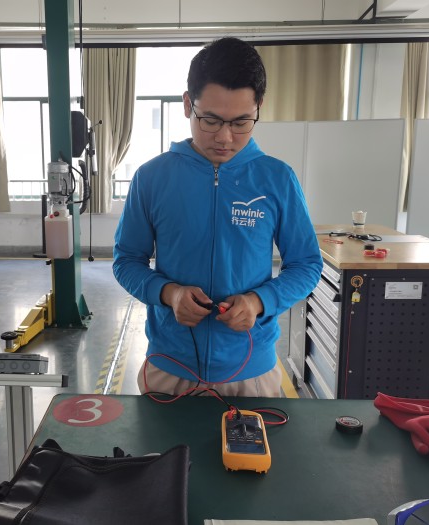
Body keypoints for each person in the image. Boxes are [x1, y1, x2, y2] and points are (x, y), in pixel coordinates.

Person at [113, 37, 323, 398]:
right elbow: (126, 261)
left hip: (252, 371)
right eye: (210, 120)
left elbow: (306, 264)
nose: (225, 137)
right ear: (187, 105)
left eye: (241, 122)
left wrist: (259, 302)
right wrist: (169, 294)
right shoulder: (152, 178)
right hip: (169, 368)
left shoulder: (277, 179)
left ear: (259, 108)